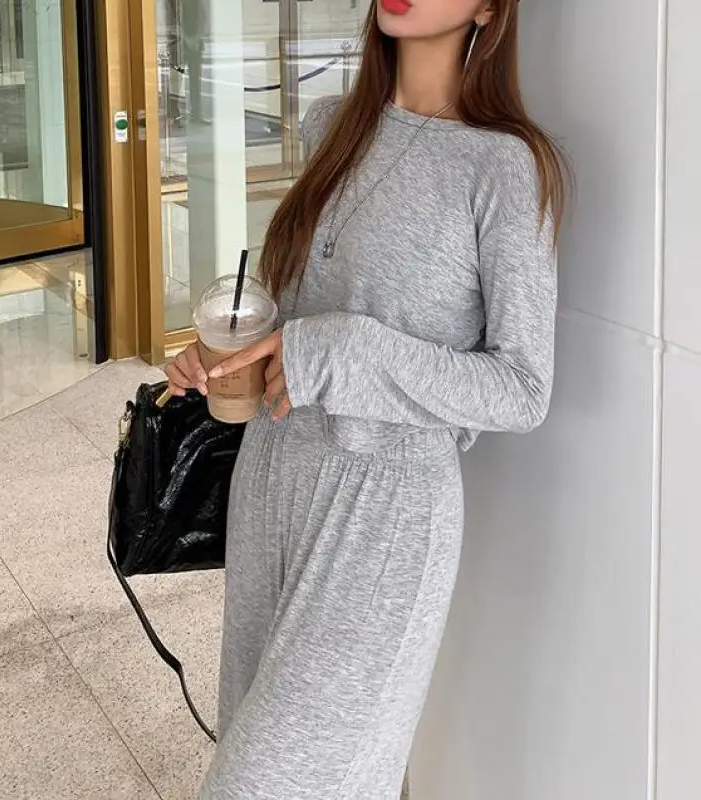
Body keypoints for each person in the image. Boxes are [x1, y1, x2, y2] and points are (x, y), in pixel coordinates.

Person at [166, 0, 566, 797]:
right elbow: (295, 307)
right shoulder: (330, 126)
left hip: (385, 515)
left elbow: (522, 389)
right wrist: (225, 350)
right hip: (272, 475)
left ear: (491, 8)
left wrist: (342, 349)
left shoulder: (504, 166)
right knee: (254, 733)